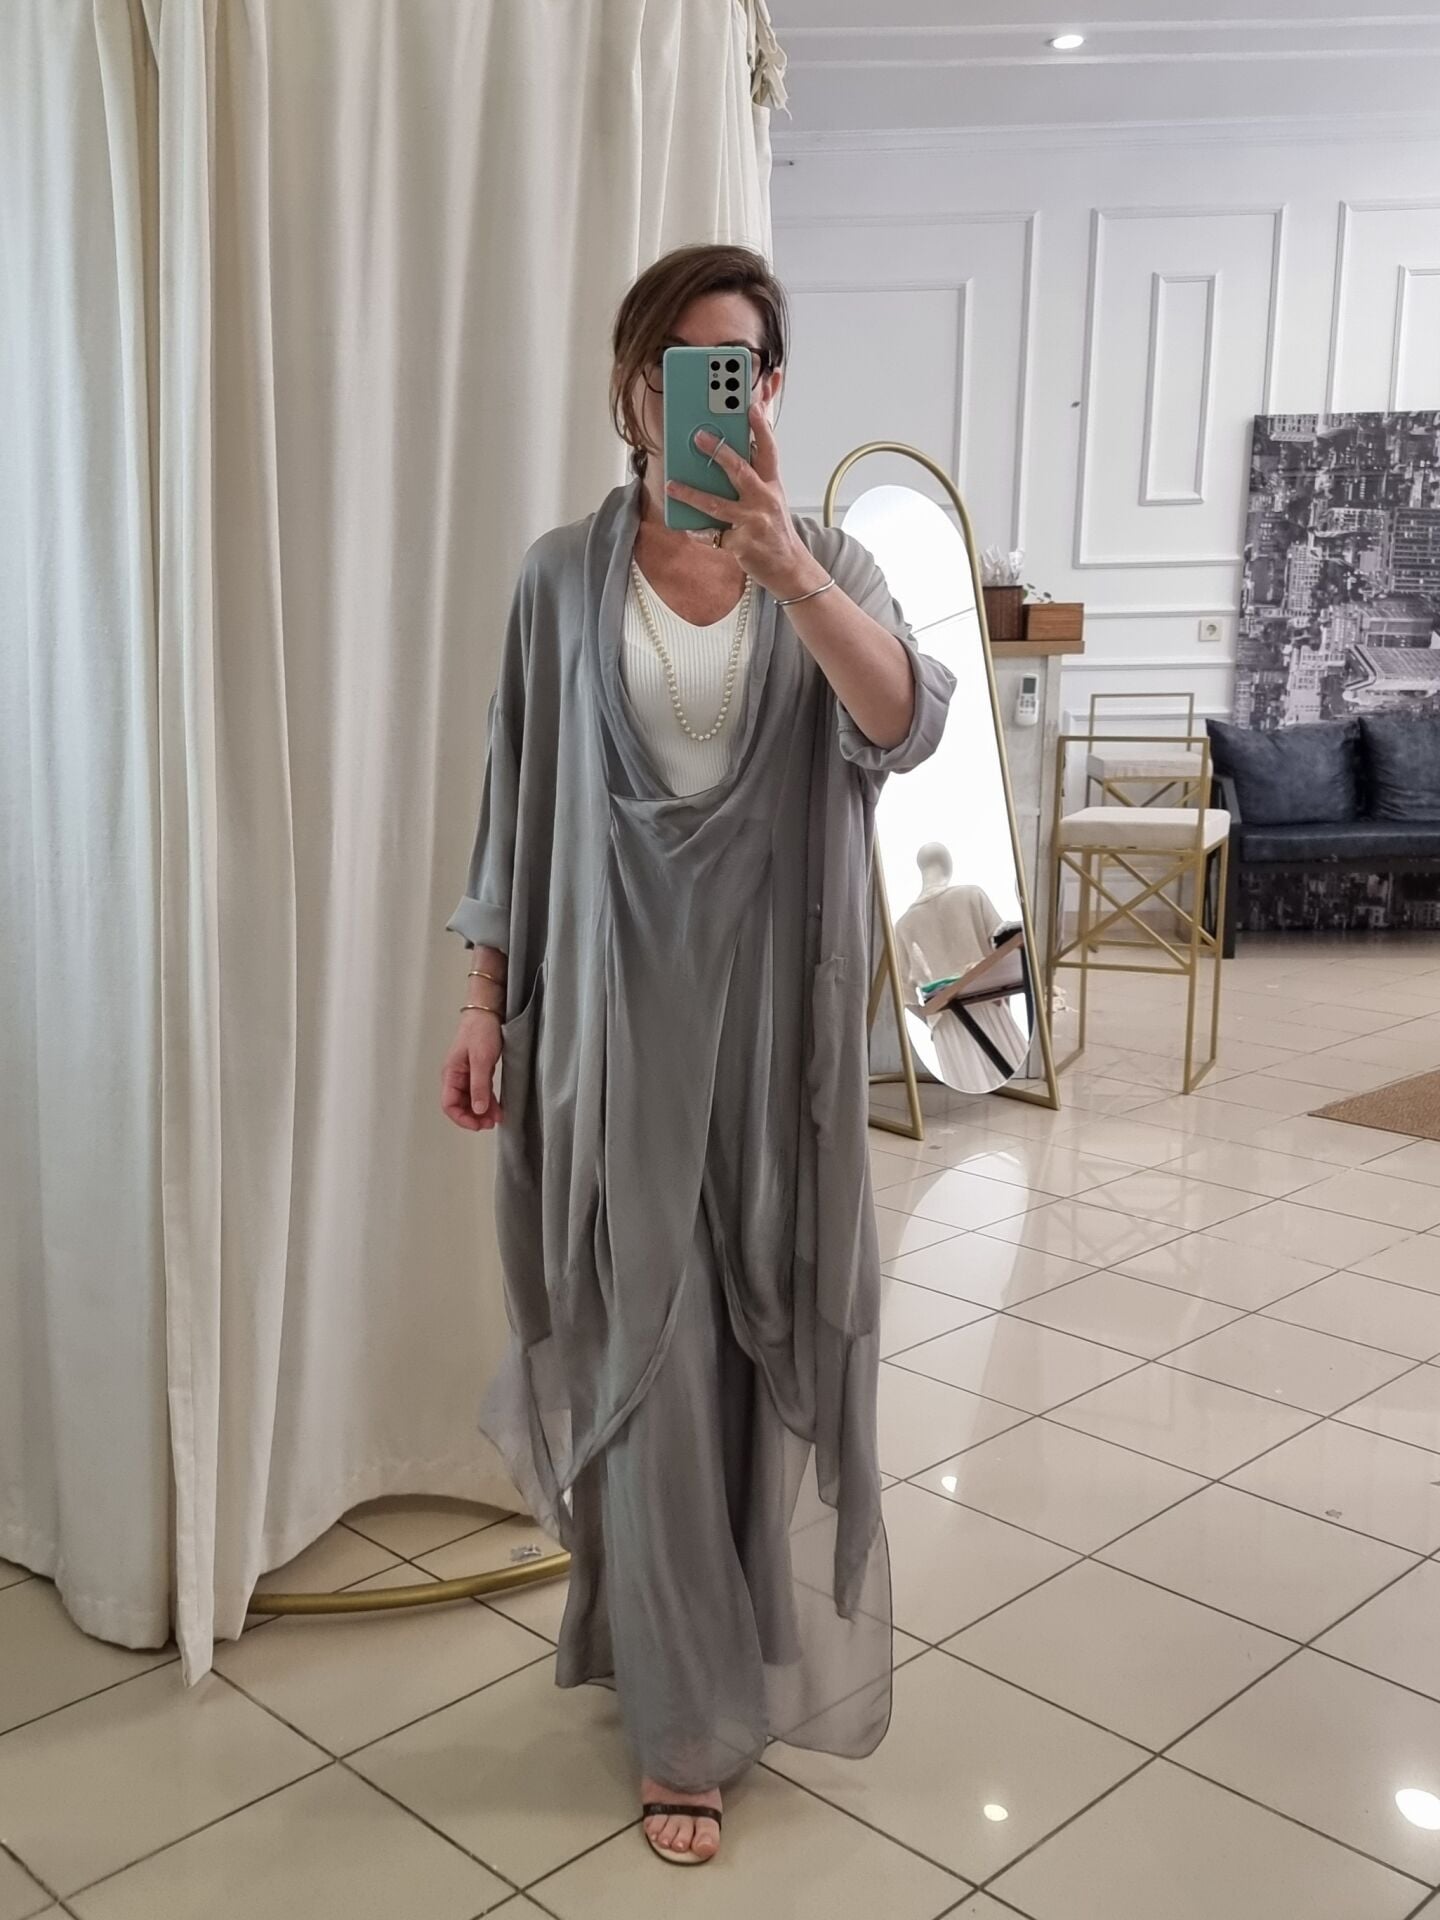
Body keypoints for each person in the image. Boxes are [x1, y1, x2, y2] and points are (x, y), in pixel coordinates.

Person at [439, 243, 954, 1867]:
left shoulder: (831, 565)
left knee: (760, 1343)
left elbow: (907, 723)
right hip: (608, 1031)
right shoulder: (558, 580)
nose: (701, 393)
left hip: (777, 1040)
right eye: (674, 363)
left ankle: (720, 1650)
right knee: (645, 1357)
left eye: (732, 365)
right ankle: (681, 1724)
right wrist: (481, 999)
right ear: (633, 387)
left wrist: (792, 572)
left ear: (771, 391)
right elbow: (515, 803)